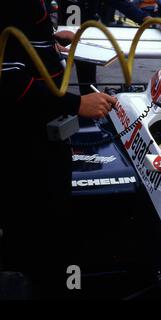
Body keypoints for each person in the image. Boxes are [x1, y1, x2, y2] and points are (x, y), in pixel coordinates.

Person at [0, 0, 117, 298]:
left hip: (42, 133)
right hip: (26, 141)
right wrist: (77, 104)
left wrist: (50, 40)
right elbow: (10, 80)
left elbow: (22, 44)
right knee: (39, 226)